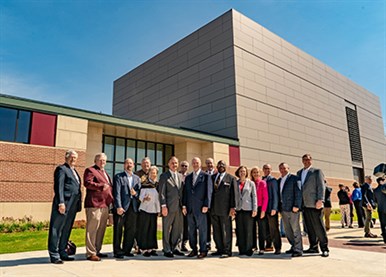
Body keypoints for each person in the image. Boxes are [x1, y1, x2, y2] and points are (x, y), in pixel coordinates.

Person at [48, 149, 82, 264]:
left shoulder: (74, 171)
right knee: (56, 229)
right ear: (66, 157)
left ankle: (63, 252)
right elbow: (59, 187)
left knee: (66, 229)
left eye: (75, 158)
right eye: (72, 157)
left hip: (72, 205)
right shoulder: (62, 169)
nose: (73, 159)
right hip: (64, 204)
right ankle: (54, 254)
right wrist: (61, 202)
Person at [297, 154, 329, 257]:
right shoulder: (299, 173)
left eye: (308, 159)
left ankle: (324, 248)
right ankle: (313, 247)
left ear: (311, 160)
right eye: (304, 160)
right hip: (304, 204)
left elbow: (321, 186)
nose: (306, 161)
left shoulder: (316, 171)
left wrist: (320, 200)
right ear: (302, 161)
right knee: (309, 227)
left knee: (319, 226)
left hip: (315, 204)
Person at [83, 153, 113, 261]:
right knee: (92, 228)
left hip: (105, 204)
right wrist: (100, 186)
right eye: (100, 160)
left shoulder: (105, 173)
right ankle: (91, 253)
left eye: (104, 160)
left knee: (101, 229)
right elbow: (87, 183)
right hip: (94, 204)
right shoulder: (90, 170)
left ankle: (97, 250)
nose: (102, 162)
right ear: (95, 161)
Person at [182, 157, 212, 258]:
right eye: (193, 163)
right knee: (191, 230)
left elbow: (209, 192)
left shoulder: (206, 176)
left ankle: (203, 250)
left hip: (201, 208)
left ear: (200, 164)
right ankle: (193, 249)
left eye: (197, 163)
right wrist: (184, 205)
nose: (195, 164)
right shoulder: (188, 177)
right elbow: (185, 192)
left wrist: (206, 205)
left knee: (203, 230)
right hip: (190, 208)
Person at [112, 158, 141, 258]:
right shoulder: (118, 177)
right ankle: (117, 251)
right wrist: (118, 206)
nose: (129, 165)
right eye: (127, 163)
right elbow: (117, 193)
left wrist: (135, 194)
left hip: (133, 207)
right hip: (122, 208)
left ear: (133, 165)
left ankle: (127, 250)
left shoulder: (137, 178)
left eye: (131, 163)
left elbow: (139, 194)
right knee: (118, 230)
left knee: (131, 230)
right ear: (124, 165)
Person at [159, 156, 185, 258]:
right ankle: (167, 249)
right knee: (167, 228)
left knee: (178, 228)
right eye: (172, 163)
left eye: (176, 163)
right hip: (168, 207)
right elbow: (161, 193)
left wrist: (184, 206)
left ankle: (176, 248)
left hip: (179, 207)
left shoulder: (180, 176)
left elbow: (182, 192)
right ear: (169, 164)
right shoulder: (164, 176)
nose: (174, 165)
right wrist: (163, 206)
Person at [210, 160, 237, 258]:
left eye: (223, 165)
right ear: (217, 166)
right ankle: (219, 249)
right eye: (219, 165)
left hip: (225, 210)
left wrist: (233, 207)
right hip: (213, 209)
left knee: (226, 230)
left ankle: (227, 250)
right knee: (216, 231)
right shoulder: (212, 178)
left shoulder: (231, 178)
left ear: (226, 167)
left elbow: (234, 194)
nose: (221, 166)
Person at [278, 163, 303, 257]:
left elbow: (298, 192)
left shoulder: (294, 178)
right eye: (281, 168)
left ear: (288, 168)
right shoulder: (279, 180)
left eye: (284, 168)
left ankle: (298, 249)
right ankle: (293, 246)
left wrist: (297, 205)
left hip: (293, 209)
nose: (283, 170)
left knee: (295, 229)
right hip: (283, 209)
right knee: (288, 230)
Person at [137, 166, 161, 256]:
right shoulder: (145, 184)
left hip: (154, 210)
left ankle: (151, 248)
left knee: (152, 229)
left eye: (155, 173)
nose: (153, 175)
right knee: (144, 229)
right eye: (151, 173)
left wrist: (159, 210)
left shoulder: (158, 185)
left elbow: (159, 199)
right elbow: (140, 197)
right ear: (149, 174)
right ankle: (143, 248)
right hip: (145, 209)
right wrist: (145, 198)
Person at [235, 166, 257, 256]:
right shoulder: (235, 183)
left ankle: (248, 249)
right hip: (238, 209)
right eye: (241, 171)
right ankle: (242, 249)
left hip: (248, 209)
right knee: (240, 230)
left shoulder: (251, 183)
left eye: (244, 171)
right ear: (238, 173)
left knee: (248, 230)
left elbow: (254, 196)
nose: (242, 173)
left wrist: (255, 209)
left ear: (246, 173)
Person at [262, 164, 281, 254]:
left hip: (271, 209)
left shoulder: (273, 180)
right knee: (266, 228)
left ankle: (278, 247)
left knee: (274, 229)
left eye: (269, 169)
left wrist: (274, 208)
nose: (267, 170)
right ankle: (269, 245)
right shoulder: (262, 179)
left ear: (271, 170)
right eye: (265, 169)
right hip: (263, 209)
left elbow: (275, 195)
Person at [250, 166, 268, 255]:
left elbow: (266, 198)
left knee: (261, 229)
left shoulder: (262, 183)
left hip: (260, 208)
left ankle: (262, 248)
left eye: (257, 172)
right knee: (252, 228)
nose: (256, 174)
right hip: (252, 208)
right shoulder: (250, 183)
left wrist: (263, 210)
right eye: (254, 172)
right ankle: (254, 246)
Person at [205, 157, 217, 251]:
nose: (209, 165)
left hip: (216, 205)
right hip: (206, 205)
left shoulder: (218, 174)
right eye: (208, 163)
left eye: (211, 163)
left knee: (216, 225)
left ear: (214, 164)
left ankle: (218, 244)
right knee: (207, 225)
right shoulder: (204, 175)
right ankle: (207, 243)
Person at [179, 160, 190, 251]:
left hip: (187, 204)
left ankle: (184, 243)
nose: (184, 167)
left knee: (186, 225)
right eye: (182, 165)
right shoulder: (176, 175)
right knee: (178, 225)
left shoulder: (190, 176)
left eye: (186, 166)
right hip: (177, 204)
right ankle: (176, 243)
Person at [373, 177, 386, 243]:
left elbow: (375, 200)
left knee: (383, 224)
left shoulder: (375, 190)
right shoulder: (384, 188)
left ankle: (384, 237)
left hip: (380, 208)